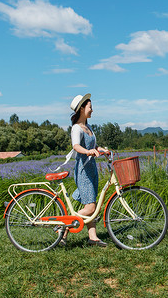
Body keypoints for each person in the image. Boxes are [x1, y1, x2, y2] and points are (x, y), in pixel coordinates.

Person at [62, 93, 108, 247]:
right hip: (83, 171)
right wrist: (88, 152)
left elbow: (92, 146)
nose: (92, 110)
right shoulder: (76, 128)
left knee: (91, 204)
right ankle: (63, 227)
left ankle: (92, 237)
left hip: (92, 169)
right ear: (82, 109)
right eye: (90, 107)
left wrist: (100, 149)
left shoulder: (88, 127)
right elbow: (76, 146)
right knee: (91, 207)